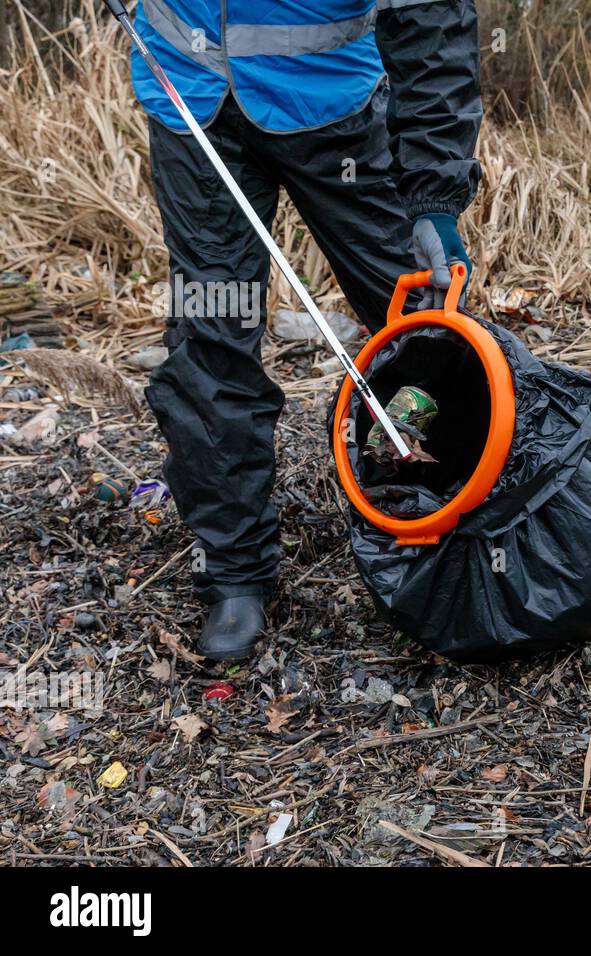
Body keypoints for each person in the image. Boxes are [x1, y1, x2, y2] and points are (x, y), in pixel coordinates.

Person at [128, 0, 481, 661]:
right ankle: (234, 572)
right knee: (212, 333)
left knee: (423, 326)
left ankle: (476, 517)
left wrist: (434, 195)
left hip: (335, 110)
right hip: (190, 94)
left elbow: (432, 21)